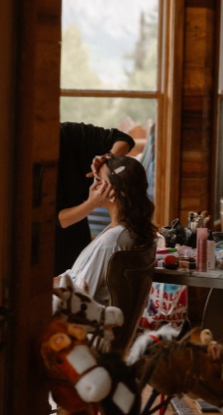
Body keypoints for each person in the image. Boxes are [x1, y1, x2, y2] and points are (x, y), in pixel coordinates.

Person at [56, 154, 154, 304]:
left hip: (78, 319)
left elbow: (80, 294)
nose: (93, 187)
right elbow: (75, 278)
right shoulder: (124, 231)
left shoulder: (113, 240)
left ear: (118, 191)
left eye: (98, 181)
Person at [55, 122, 136, 275]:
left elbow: (123, 139)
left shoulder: (71, 134)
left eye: (100, 180)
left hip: (77, 234)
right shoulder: (116, 238)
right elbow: (58, 220)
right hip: (49, 239)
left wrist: (108, 158)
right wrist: (92, 203)